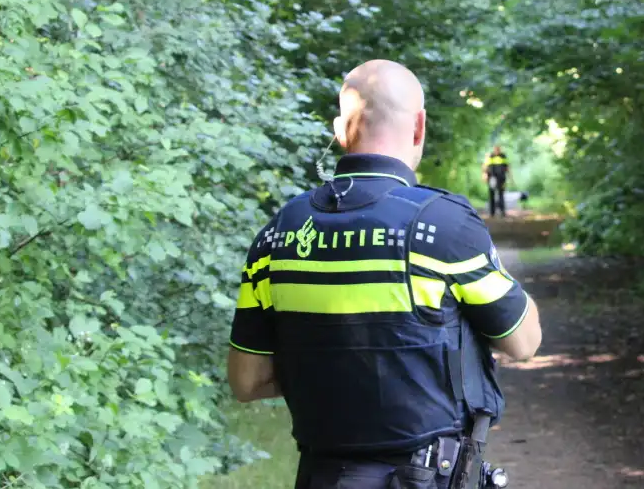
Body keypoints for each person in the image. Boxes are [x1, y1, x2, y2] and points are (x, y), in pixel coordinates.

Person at [226, 59, 543, 489]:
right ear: (419, 127)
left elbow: (247, 381)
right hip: (424, 475)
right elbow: (523, 342)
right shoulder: (444, 226)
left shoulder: (278, 235)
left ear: (340, 130)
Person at [481, 146, 511, 218]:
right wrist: (484, 175)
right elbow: (485, 166)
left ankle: (502, 212)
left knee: (501, 195)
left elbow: (507, 167)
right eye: (496, 149)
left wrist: (510, 177)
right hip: (492, 178)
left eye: (498, 149)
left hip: (501, 179)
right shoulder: (490, 156)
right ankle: (492, 213)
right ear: (494, 149)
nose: (497, 150)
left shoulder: (503, 156)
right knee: (492, 195)